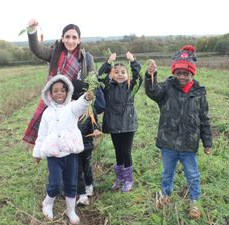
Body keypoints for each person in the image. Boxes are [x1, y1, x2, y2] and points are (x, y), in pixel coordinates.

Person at [144, 45, 212, 219]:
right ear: (174, 73)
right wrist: (151, 75)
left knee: (193, 175)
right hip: (168, 143)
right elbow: (152, 92)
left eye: (186, 73)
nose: (182, 76)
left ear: (192, 74)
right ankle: (165, 196)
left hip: (189, 144)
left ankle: (195, 202)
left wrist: (207, 142)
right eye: (179, 73)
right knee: (167, 173)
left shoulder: (199, 93)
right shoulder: (167, 87)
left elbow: (204, 119)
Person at [23, 18, 95, 145]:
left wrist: (85, 106)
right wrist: (32, 30)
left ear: (79, 40)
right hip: (54, 105)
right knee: (55, 139)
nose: (70, 41)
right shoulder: (54, 53)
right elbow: (36, 49)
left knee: (73, 140)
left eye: (74, 37)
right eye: (67, 37)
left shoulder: (87, 59)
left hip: (74, 106)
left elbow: (92, 84)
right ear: (62, 38)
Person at [33, 75, 94, 224]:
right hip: (54, 155)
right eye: (55, 91)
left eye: (62, 90)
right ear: (50, 93)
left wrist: (86, 98)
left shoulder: (71, 107)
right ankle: (48, 203)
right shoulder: (47, 113)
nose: (59, 93)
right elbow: (41, 134)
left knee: (71, 183)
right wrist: (37, 152)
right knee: (54, 182)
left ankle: (70, 210)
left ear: (67, 92)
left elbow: (81, 105)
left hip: (70, 153)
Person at [98, 51, 142, 192]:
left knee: (126, 151)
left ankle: (128, 179)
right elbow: (100, 77)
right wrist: (108, 63)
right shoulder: (108, 87)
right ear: (111, 74)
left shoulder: (131, 87)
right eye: (116, 72)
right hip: (113, 123)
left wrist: (133, 61)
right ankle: (120, 178)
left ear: (127, 74)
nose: (120, 74)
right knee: (118, 150)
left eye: (123, 72)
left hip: (128, 125)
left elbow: (138, 78)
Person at [70, 80, 104, 206]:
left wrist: (96, 130)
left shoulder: (90, 110)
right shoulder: (68, 111)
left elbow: (95, 125)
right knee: (77, 170)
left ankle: (89, 185)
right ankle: (82, 195)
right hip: (73, 146)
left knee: (86, 167)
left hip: (86, 145)